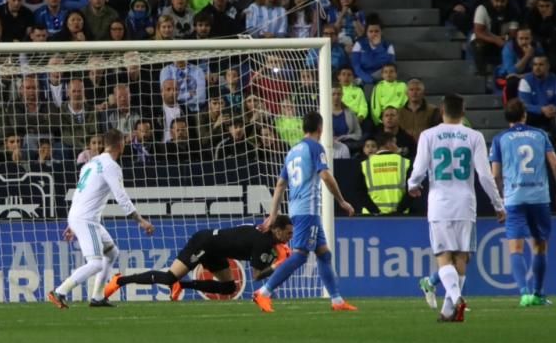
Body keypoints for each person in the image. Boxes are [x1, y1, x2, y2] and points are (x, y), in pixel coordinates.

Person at [407, 94, 504, 323]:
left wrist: (413, 185)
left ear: (442, 110)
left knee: (443, 256)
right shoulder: (474, 136)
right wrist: (498, 204)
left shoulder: (428, 135)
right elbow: (485, 175)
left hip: (440, 204)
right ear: (464, 111)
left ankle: (456, 298)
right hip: (465, 203)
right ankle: (449, 312)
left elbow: (419, 168)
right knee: (461, 257)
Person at [251, 112, 357, 314]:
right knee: (300, 255)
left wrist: (273, 215)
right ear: (321, 128)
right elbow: (325, 175)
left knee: (324, 254)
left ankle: (337, 300)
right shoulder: (315, 147)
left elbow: (281, 184)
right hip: (308, 210)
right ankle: (263, 292)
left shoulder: (292, 151)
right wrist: (342, 201)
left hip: (298, 209)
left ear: (303, 128)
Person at [49, 129, 155, 309]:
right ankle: (59, 291)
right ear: (120, 145)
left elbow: (80, 193)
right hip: (86, 219)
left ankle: (97, 297)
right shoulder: (111, 166)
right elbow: (121, 197)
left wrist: (71, 223)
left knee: (111, 253)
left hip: (81, 216)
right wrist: (141, 221)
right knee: (96, 263)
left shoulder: (91, 163)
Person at [489, 99, 556, 307]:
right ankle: (538, 293)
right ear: (524, 115)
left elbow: (495, 175)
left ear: (507, 118)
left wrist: (498, 201)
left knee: (515, 247)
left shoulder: (500, 139)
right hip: (539, 197)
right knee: (540, 246)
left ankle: (524, 294)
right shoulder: (540, 135)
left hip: (514, 198)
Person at [104, 217, 295, 301]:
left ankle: (183, 286)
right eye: (288, 233)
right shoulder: (264, 241)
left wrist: (277, 259)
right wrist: (279, 264)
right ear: (277, 230)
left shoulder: (268, 237)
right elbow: (257, 275)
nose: (290, 237)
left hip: (217, 250)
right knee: (170, 277)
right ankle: (119, 280)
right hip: (204, 243)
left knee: (229, 288)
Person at [361, 132, 411, 215]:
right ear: (389, 144)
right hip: (400, 216)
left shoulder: (365, 164)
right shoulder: (405, 163)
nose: (397, 147)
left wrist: (375, 211)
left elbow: (360, 193)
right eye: (395, 143)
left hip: (371, 216)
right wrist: (399, 211)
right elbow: (412, 191)